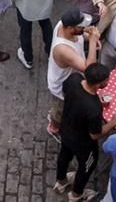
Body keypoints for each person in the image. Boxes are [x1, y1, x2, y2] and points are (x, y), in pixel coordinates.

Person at [56, 62, 116, 201]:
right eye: (106, 80)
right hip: (83, 144)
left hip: (65, 130)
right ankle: (76, 194)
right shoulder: (93, 107)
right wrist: (114, 122)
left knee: (64, 155)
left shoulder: (74, 79)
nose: (108, 81)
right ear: (98, 85)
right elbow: (95, 134)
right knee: (87, 167)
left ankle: (61, 181)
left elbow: (66, 93)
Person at [46, 9, 100, 137]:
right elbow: (89, 69)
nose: (85, 28)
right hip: (62, 87)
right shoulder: (63, 49)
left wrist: (88, 34)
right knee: (60, 111)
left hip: (72, 80)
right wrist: (92, 42)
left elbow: (80, 34)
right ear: (70, 28)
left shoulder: (63, 24)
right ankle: (54, 127)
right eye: (82, 26)